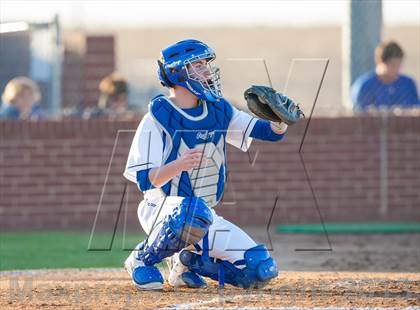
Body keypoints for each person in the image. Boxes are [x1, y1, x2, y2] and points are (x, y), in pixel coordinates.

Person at [123, 39, 289, 290]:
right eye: (197, 66)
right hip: (160, 207)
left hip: (202, 214)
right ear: (178, 72)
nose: (207, 71)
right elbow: (147, 180)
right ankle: (142, 259)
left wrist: (280, 120)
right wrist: (179, 164)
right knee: (193, 212)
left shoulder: (218, 110)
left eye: (205, 65)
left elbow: (268, 132)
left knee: (261, 268)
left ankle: (185, 262)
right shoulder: (157, 117)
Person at [351, 41, 419, 112]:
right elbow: (359, 116)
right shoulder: (365, 86)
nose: (397, 70)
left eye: (399, 65)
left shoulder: (407, 84)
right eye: (393, 65)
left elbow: (415, 111)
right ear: (379, 62)